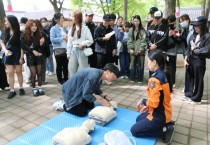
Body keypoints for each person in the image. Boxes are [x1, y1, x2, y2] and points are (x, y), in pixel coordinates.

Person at [130, 49, 174, 144]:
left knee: (134, 131)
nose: (147, 63)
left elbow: (154, 103)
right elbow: (161, 98)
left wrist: (143, 101)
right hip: (165, 111)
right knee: (138, 119)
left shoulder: (155, 79)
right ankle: (167, 123)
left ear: (154, 62)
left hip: (159, 116)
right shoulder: (164, 73)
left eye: (148, 60)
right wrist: (147, 106)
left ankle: (165, 129)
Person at [184, 16, 210, 104]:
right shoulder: (193, 35)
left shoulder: (207, 37)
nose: (196, 28)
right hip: (190, 59)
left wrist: (195, 50)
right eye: (194, 26)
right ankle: (188, 94)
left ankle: (196, 98)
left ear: (202, 26)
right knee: (189, 77)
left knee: (198, 80)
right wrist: (186, 57)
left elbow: (207, 50)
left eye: (198, 26)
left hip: (199, 61)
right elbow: (188, 47)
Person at [0, 15, 25, 99]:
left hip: (18, 54)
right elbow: (2, 42)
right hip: (8, 54)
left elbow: (22, 46)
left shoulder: (20, 32)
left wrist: (21, 58)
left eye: (6, 21)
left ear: (11, 22)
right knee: (10, 73)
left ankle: (21, 88)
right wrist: (5, 50)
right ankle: (12, 90)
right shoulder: (4, 31)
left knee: (19, 72)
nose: (5, 23)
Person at [21, 19, 45, 97]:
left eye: (35, 26)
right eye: (32, 26)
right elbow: (23, 46)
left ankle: (40, 88)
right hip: (30, 56)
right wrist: (32, 51)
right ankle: (34, 89)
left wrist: (41, 44)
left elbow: (39, 47)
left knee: (39, 73)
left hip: (38, 56)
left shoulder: (38, 34)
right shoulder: (24, 35)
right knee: (33, 73)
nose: (34, 27)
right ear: (29, 26)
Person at [67, 11, 93, 77]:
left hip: (82, 51)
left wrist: (83, 43)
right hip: (73, 50)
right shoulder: (71, 29)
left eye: (73, 17)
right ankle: (73, 86)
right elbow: (69, 42)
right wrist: (68, 53)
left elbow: (90, 40)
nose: (72, 18)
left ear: (77, 18)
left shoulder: (85, 29)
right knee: (72, 70)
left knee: (84, 70)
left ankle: (84, 86)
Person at [127, 15, 147, 83]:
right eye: (134, 21)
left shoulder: (142, 30)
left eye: (137, 21)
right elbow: (129, 40)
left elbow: (143, 41)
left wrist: (140, 50)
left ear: (139, 21)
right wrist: (130, 48)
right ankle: (132, 77)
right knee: (132, 64)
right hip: (133, 50)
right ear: (133, 21)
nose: (136, 22)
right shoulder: (131, 30)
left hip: (140, 51)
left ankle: (140, 78)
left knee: (140, 64)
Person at [50, 13, 69, 86]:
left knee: (65, 65)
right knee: (59, 65)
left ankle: (66, 78)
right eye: (61, 18)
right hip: (58, 49)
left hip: (66, 49)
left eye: (63, 18)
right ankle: (60, 80)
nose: (63, 19)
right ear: (57, 19)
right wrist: (62, 38)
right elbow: (52, 39)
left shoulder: (64, 28)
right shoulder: (53, 28)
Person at [20, 17, 31, 84]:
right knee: (27, 65)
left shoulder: (20, 28)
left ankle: (27, 78)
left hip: (23, 50)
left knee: (26, 65)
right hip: (26, 50)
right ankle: (28, 78)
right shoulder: (24, 29)